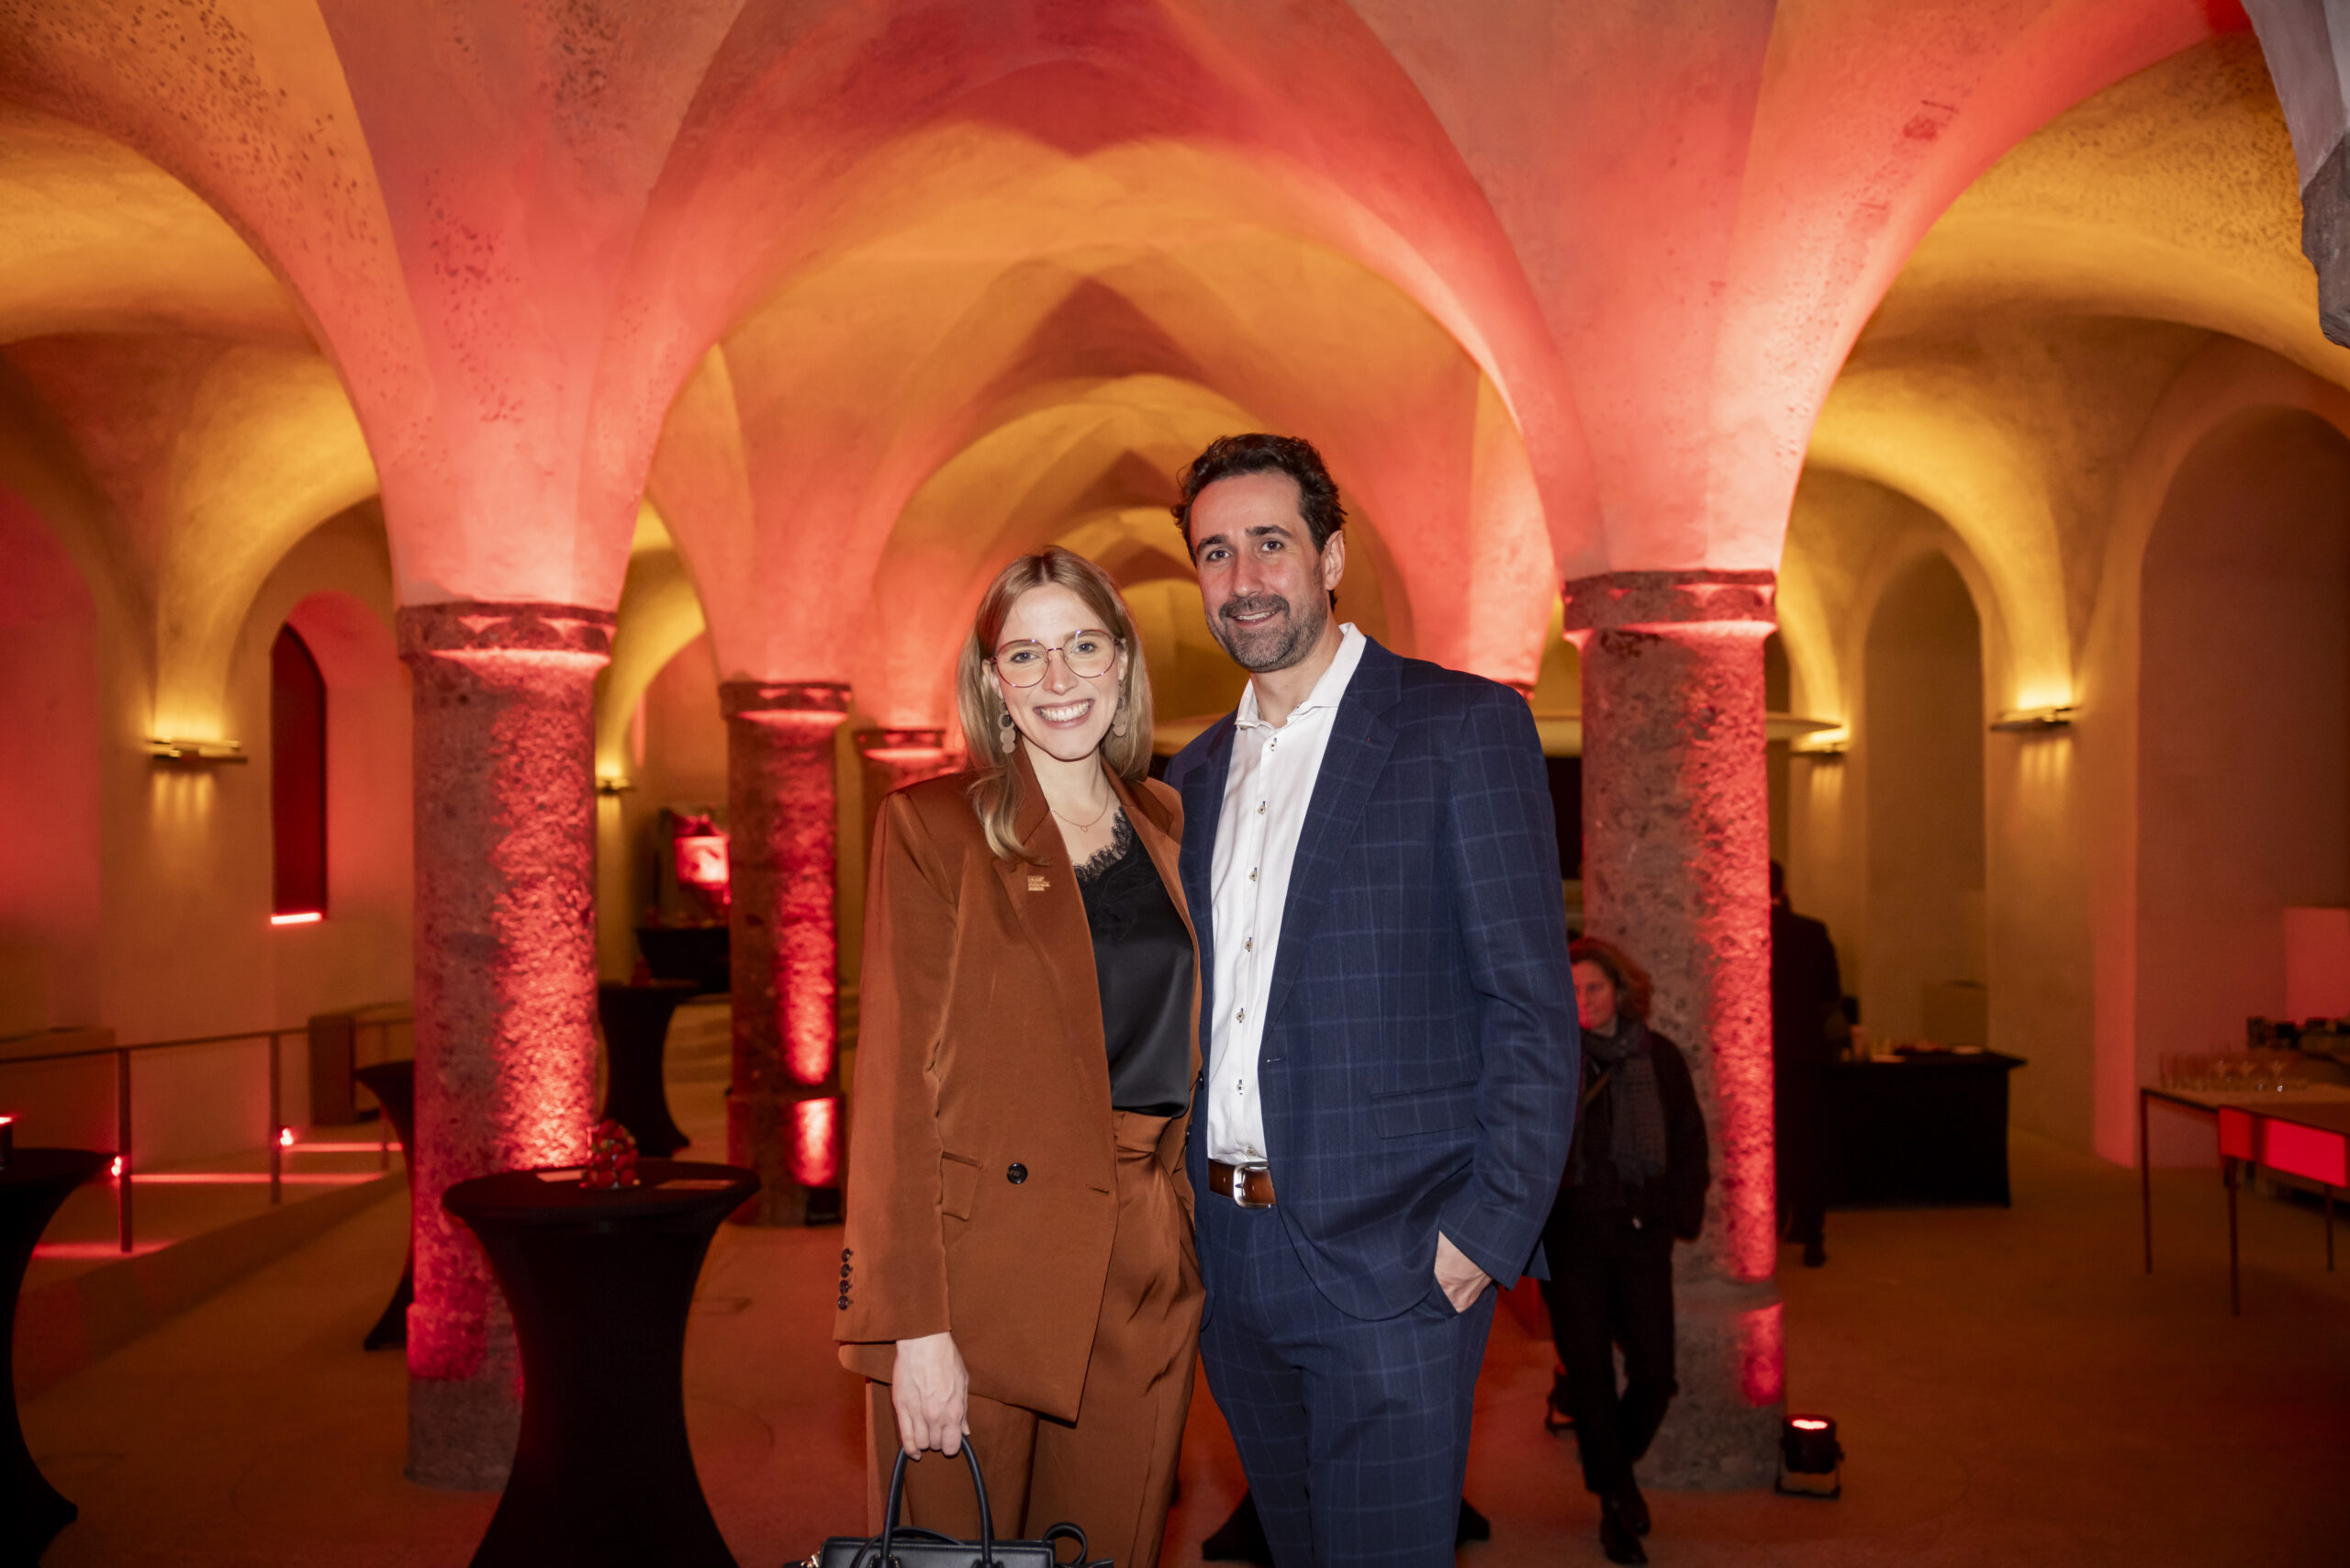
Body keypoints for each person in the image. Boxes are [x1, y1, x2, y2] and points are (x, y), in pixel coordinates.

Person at [1164, 432, 1578, 1567]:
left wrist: (1484, 1234)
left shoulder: (1457, 728)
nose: (1244, 578)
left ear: (1330, 556)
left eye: (1270, 542)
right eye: (1214, 552)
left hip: (1399, 1260)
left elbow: (1530, 1007)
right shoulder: (1189, 777)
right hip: (1230, 1256)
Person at [835, 547, 1202, 1568]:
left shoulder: (1169, 822)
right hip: (980, 1275)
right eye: (1026, 654)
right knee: (957, 1556)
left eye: (1083, 645)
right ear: (993, 679)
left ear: (1121, 660)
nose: (1058, 678)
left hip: (1140, 1266)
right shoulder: (934, 829)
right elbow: (896, 1089)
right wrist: (912, 1327)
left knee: (1111, 1549)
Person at [1539, 937, 1708, 1568]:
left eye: (1594, 987)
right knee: (1590, 1375)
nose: (1583, 1000)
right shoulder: (1551, 1058)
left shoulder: (1657, 1057)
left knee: (1656, 1374)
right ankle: (1615, 1502)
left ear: (1620, 990)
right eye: (1572, 990)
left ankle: (1614, 1465)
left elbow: (1689, 1144)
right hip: (1571, 1241)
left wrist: (1673, 1215)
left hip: (1640, 1237)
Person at [1770, 859, 1844, 1267]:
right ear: (1783, 888)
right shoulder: (1812, 932)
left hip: (1758, 1059)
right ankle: (1812, 1233)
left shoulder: (1740, 933)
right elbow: (1830, 995)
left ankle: (1770, 1227)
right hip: (1805, 1054)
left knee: (1767, 1147)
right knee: (1807, 1145)